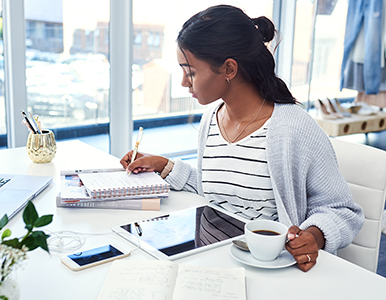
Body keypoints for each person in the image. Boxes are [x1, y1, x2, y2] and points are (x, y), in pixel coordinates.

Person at [120, 4, 364, 272]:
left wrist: (314, 236)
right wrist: (164, 166)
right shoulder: (211, 119)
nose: (183, 82)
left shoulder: (293, 128)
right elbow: (221, 190)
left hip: (268, 271)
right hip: (210, 263)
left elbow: (343, 210)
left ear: (229, 69)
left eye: (190, 72)